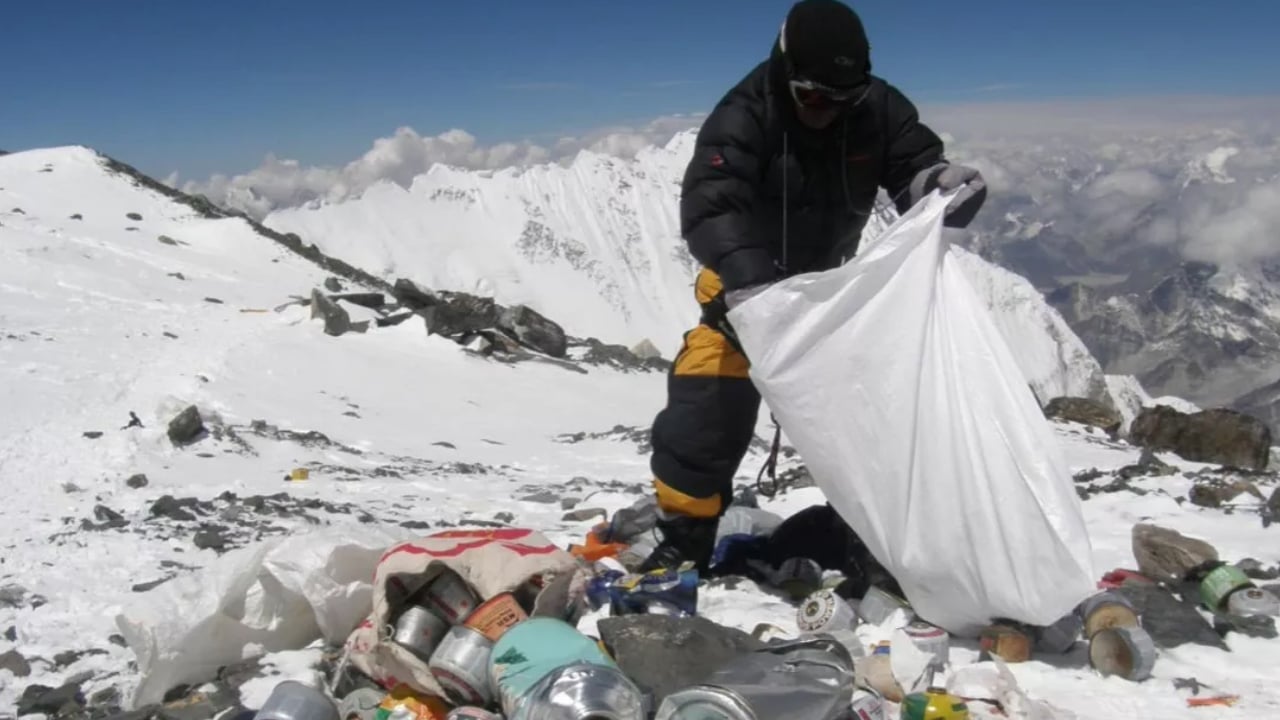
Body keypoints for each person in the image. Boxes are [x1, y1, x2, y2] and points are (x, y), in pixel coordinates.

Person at [639, 0, 987, 573]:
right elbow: (711, 206)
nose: (829, 111)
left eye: (844, 98)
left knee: (875, 419)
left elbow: (912, 166)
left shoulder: (877, 108)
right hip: (741, 298)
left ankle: (872, 537)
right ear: (784, 71)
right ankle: (686, 536)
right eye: (814, 97)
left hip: (830, 298)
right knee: (704, 414)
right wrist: (752, 286)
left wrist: (938, 186)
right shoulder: (744, 116)